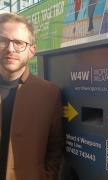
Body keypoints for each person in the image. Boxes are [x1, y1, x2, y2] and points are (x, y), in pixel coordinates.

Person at [0, 13, 65, 180]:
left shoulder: (49, 94)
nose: (10, 49)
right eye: (3, 41)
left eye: (19, 43)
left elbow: (55, 148)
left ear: (32, 51)